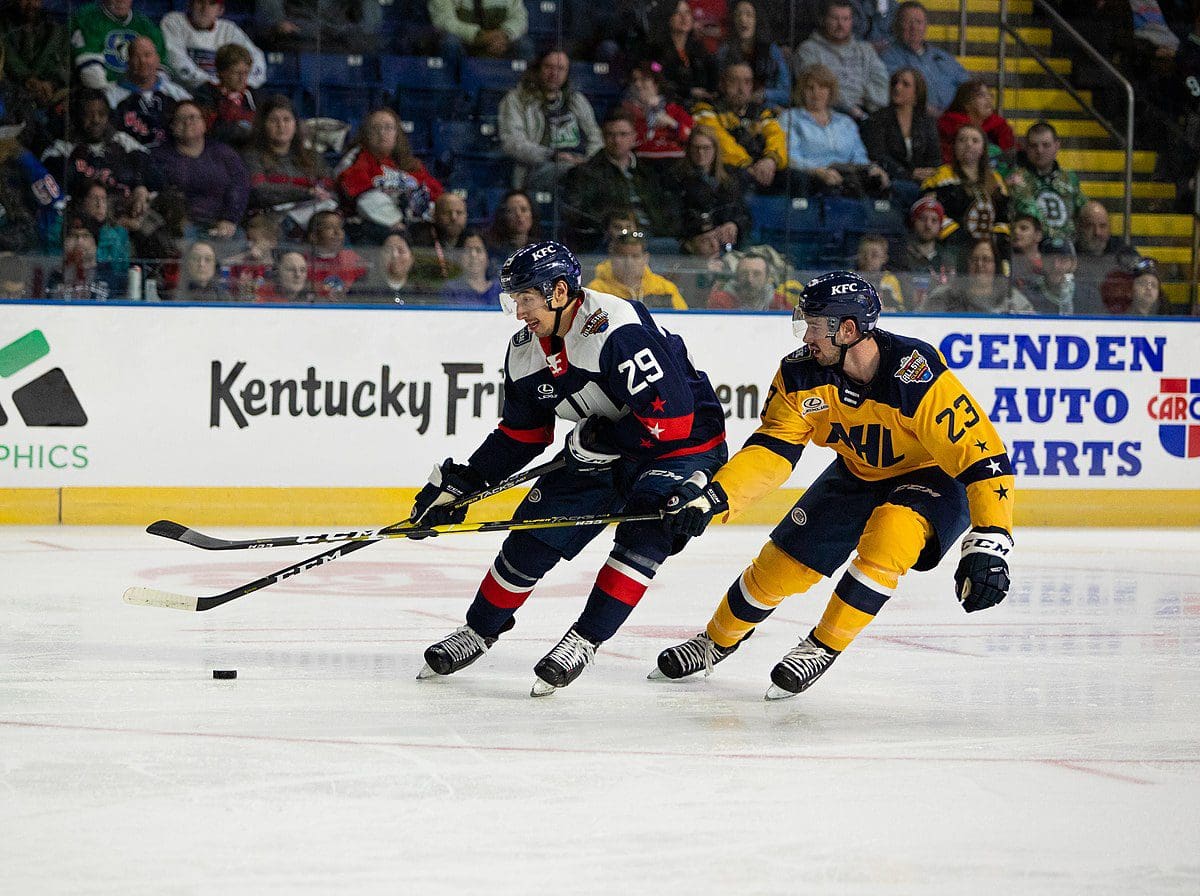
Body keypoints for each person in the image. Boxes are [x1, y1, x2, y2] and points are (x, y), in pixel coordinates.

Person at [651, 271, 1016, 698]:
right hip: (857, 473)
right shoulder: (799, 375)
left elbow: (983, 457)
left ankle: (822, 646)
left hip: (932, 478)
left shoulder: (916, 374)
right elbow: (772, 450)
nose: (806, 336)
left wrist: (990, 541)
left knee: (891, 535)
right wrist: (716, 497)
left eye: (814, 325)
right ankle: (716, 641)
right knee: (781, 565)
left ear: (848, 329)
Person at [412, 240, 728, 696]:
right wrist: (468, 480)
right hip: (604, 445)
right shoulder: (525, 352)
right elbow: (523, 434)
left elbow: (673, 420)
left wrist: (605, 440)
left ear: (559, 292)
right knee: (532, 535)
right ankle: (479, 630)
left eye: (526, 299)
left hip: (681, 447)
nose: (519, 311)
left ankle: (584, 639)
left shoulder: (615, 329)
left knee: (648, 526)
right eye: (514, 300)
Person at [560, 108, 679, 250]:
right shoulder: (585, 173)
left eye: (623, 134)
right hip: (611, 241)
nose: (617, 140)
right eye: (611, 135)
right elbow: (579, 216)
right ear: (603, 137)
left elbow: (666, 209)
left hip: (653, 237)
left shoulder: (650, 171)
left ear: (634, 136)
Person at [498, 48, 603, 192]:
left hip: (579, 164)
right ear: (538, 68)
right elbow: (512, 142)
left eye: (561, 69)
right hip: (539, 166)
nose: (554, 74)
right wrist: (552, 155)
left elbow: (595, 136)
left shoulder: (577, 100)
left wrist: (590, 161)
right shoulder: (516, 99)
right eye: (549, 67)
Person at [335, 107, 444, 242]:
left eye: (388, 128)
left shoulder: (411, 164)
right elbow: (362, 198)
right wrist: (394, 220)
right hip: (375, 231)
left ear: (397, 133)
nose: (382, 133)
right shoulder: (357, 160)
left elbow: (436, 195)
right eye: (375, 128)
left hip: (417, 228)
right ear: (366, 134)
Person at [781, 62, 889, 197]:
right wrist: (818, 171)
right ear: (802, 91)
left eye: (822, 87)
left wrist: (872, 168)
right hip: (812, 177)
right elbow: (791, 156)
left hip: (849, 177)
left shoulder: (845, 122)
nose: (816, 93)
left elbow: (858, 156)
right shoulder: (791, 118)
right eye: (810, 88)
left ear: (830, 91)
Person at [151, 99, 250, 239]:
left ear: (204, 124)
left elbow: (240, 185)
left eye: (193, 117)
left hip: (223, 224)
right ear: (172, 125)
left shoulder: (224, 153)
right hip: (179, 227)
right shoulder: (159, 157)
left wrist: (230, 219)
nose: (188, 122)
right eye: (181, 119)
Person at [42, 88, 155, 204]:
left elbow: (151, 168)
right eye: (88, 115)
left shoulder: (121, 140)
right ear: (77, 117)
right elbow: (48, 175)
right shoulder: (62, 147)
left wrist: (140, 186)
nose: (96, 120)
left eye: (101, 114)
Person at [240, 94, 335, 232]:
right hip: (270, 220)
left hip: (313, 217)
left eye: (287, 119)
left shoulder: (312, 156)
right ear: (263, 125)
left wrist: (319, 193)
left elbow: (330, 187)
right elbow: (260, 191)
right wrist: (306, 192)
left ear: (295, 124)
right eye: (274, 120)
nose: (281, 126)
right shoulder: (252, 156)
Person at [692, 61, 788, 191]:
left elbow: (777, 136)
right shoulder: (705, 109)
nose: (741, 89)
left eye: (747, 82)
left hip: (763, 168)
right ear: (722, 83)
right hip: (730, 171)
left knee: (795, 177)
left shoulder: (761, 112)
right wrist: (749, 166)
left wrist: (770, 161)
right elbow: (720, 142)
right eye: (734, 81)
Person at [921, 122, 1011, 258]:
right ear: (954, 146)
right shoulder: (939, 176)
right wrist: (956, 236)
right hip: (951, 248)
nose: (969, 144)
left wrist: (996, 237)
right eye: (962, 140)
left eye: (975, 140)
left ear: (983, 148)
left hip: (989, 250)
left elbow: (1004, 214)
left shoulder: (995, 179)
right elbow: (928, 211)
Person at [793, 0, 889, 122]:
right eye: (835, 18)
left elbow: (882, 86)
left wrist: (865, 102)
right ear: (823, 20)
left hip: (869, 114)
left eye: (846, 19)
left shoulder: (866, 50)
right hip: (827, 118)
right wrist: (852, 105)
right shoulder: (808, 51)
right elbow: (817, 90)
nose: (840, 25)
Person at [859, 66, 940, 209]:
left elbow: (934, 156)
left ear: (917, 93)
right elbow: (878, 154)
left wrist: (930, 175)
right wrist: (910, 174)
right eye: (895, 83)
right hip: (892, 179)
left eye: (905, 84)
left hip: (922, 180)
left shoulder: (926, 121)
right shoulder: (877, 119)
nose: (898, 87)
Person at [671, 125, 752, 254]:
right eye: (696, 148)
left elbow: (743, 212)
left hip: (727, 240)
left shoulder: (731, 177)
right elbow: (675, 216)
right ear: (689, 149)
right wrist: (706, 230)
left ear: (715, 149)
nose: (701, 153)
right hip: (695, 241)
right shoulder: (677, 177)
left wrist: (734, 224)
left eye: (706, 148)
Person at [878, 1, 967, 115]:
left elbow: (966, 85)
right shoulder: (888, 58)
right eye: (908, 22)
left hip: (955, 118)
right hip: (919, 119)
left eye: (918, 22)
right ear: (897, 25)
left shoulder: (942, 56)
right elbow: (898, 95)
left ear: (925, 26)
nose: (914, 27)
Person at [106, 35, 192, 150]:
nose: (143, 61)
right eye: (136, 56)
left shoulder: (177, 94)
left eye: (147, 55)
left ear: (157, 59)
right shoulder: (110, 95)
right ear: (128, 61)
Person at [161, 0, 267, 93]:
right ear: (190, 4)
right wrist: (217, 86)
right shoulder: (173, 22)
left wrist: (244, 84)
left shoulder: (229, 29)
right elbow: (177, 62)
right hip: (184, 95)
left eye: (212, 3)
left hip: (223, 96)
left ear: (220, 10)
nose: (205, 8)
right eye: (200, 2)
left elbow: (256, 58)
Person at [1005, 121, 1087, 241]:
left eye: (1046, 145)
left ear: (1057, 146)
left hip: (1068, 246)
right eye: (1034, 146)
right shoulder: (1016, 178)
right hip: (1033, 246)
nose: (1040, 151)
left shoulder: (1069, 177)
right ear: (1026, 148)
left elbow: (1083, 207)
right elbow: (1028, 212)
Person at [69, 0, 167, 89]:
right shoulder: (87, 18)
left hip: (142, 91)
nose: (121, 1)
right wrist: (115, 95)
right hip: (105, 95)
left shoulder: (145, 24)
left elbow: (161, 68)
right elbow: (91, 74)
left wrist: (149, 92)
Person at [585, 225, 689, 308]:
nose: (629, 262)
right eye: (622, 256)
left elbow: (683, 321)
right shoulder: (595, 291)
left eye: (635, 256)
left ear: (645, 259)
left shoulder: (665, 288)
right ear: (612, 258)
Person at [714, 0, 793, 109]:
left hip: (767, 110)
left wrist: (764, 95)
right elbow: (719, 89)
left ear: (757, 20)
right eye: (738, 15)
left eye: (749, 15)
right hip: (731, 110)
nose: (743, 19)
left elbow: (786, 94)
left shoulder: (772, 51)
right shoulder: (724, 51)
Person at [922, 237, 1032, 314]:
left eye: (986, 260)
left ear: (996, 265)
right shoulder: (944, 296)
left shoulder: (1011, 298)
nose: (980, 265)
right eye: (974, 259)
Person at [621, 62, 694, 171]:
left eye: (644, 80)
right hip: (643, 164)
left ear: (656, 84)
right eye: (634, 80)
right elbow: (624, 142)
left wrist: (673, 124)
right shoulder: (626, 112)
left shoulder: (674, 110)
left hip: (677, 162)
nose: (638, 84)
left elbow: (693, 137)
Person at [192, 43, 261, 150]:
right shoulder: (205, 93)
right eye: (237, 72)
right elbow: (210, 130)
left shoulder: (254, 94)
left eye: (246, 72)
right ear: (222, 72)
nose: (242, 78)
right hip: (216, 151)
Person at [647, 0, 718, 104]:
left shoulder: (698, 48)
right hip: (669, 103)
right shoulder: (656, 50)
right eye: (677, 13)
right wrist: (688, 92)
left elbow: (711, 73)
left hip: (700, 104)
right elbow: (657, 75)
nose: (684, 17)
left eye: (687, 12)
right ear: (667, 17)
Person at [894, 194, 955, 306]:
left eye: (934, 220)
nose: (928, 225)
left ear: (940, 225)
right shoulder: (899, 256)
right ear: (913, 222)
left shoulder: (947, 258)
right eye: (923, 219)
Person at [254, 0, 382, 53]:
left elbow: (370, 23)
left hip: (339, 36)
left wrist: (361, 31)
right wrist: (279, 20)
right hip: (299, 34)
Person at [426, 0, 534, 63]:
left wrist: (505, 35)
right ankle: (450, 94)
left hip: (499, 44)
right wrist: (478, 36)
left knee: (524, 45)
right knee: (450, 43)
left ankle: (524, 95)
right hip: (464, 43)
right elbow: (444, 21)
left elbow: (520, 17)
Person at [937, 79, 1014, 166]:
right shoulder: (950, 124)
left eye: (989, 94)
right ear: (966, 103)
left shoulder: (999, 125)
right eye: (981, 95)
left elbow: (1009, 156)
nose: (988, 99)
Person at [1022, 234, 1102, 316]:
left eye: (1063, 260)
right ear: (1042, 261)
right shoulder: (1029, 293)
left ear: (1073, 263)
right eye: (1050, 259)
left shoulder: (1089, 296)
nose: (1056, 266)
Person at [347, 232, 432, 304]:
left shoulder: (423, 293)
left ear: (412, 258)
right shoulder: (362, 290)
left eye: (401, 251)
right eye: (388, 250)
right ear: (379, 256)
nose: (394, 256)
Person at [705, 245, 798, 309]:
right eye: (744, 273)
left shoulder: (780, 303)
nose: (749, 279)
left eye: (757, 274)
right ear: (736, 276)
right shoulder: (720, 301)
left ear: (767, 278)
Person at [305, 208, 366, 300]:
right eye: (329, 227)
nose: (337, 232)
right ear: (314, 236)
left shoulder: (353, 258)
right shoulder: (303, 263)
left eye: (340, 227)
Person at [440, 228, 501, 307]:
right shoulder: (451, 290)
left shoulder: (500, 289)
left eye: (478, 250)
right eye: (467, 251)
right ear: (459, 257)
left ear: (487, 257)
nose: (473, 255)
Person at [485, 188, 539, 266]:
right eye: (512, 211)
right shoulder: (492, 251)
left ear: (532, 214)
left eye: (524, 210)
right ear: (503, 216)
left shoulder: (541, 249)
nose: (519, 215)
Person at [854, 232, 904, 310]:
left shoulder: (889, 280)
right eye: (863, 254)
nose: (868, 258)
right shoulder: (850, 277)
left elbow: (899, 308)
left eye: (874, 255)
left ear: (884, 258)